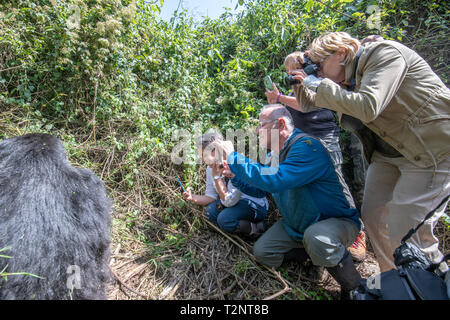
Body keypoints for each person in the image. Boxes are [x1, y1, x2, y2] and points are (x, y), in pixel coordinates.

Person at [291, 31, 450, 273]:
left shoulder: (384, 54)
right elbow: (307, 104)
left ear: (341, 53)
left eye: (320, 64)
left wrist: (315, 81)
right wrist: (300, 79)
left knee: (407, 229)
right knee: (374, 218)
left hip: (431, 150)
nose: (319, 71)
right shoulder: (341, 82)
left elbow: (368, 106)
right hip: (390, 154)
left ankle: (431, 285)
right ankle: (396, 282)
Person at [214, 104, 363, 299]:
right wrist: (234, 175)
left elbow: (275, 179)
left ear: (281, 124)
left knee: (317, 238)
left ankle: (353, 286)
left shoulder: (306, 147)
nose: (257, 130)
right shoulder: (272, 156)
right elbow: (261, 189)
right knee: (263, 252)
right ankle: (314, 256)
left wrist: (234, 156)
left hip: (334, 222)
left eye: (261, 125)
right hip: (297, 226)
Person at [265, 51, 367, 262]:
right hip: (304, 143)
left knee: (338, 181)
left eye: (294, 67)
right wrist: (277, 103)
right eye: (288, 70)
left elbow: (309, 104)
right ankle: (324, 232)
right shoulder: (296, 85)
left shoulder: (319, 81)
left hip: (323, 138)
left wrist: (279, 98)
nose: (291, 72)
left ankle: (357, 233)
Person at [182, 131, 268, 238]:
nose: (203, 160)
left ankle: (256, 228)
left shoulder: (235, 164)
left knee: (224, 219)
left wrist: (217, 178)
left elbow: (229, 201)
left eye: (205, 155)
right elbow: (211, 196)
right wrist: (192, 197)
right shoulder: (211, 168)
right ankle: (234, 230)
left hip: (254, 204)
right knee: (210, 212)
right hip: (232, 201)